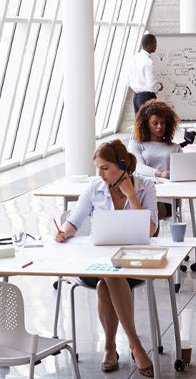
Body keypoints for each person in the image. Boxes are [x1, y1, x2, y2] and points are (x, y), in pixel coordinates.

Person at [55, 140, 158, 377]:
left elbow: (151, 230)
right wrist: (63, 232)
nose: (100, 174)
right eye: (97, 168)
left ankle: (110, 347)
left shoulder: (145, 187)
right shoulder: (94, 188)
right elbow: (74, 223)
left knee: (107, 281)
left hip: (132, 264)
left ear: (122, 165)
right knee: (108, 275)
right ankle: (136, 346)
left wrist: (132, 195)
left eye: (105, 168)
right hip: (96, 264)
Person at [128, 100, 182, 219]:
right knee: (147, 208)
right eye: (155, 123)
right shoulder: (136, 144)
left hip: (168, 196)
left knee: (151, 211)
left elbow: (182, 171)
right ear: (146, 124)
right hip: (143, 193)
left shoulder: (175, 147)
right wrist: (160, 174)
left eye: (162, 123)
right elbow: (138, 167)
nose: (159, 127)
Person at [128, 34, 164, 114]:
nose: (156, 46)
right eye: (155, 43)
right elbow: (152, 86)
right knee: (150, 124)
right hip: (147, 98)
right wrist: (159, 86)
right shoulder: (148, 62)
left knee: (140, 125)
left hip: (136, 98)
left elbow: (129, 80)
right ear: (149, 45)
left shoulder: (133, 59)